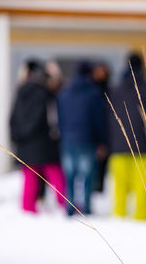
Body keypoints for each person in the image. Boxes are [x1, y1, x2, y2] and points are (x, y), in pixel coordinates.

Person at [10, 59, 66, 213]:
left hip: (25, 143)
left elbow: (12, 118)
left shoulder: (20, 92)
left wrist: (18, 136)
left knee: (29, 176)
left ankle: (28, 208)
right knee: (55, 174)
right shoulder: (46, 95)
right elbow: (51, 119)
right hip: (44, 142)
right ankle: (66, 205)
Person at [108, 53, 146, 220]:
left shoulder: (115, 89)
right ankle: (141, 218)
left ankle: (119, 218)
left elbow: (108, 116)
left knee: (119, 187)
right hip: (142, 147)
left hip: (118, 146)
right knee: (142, 188)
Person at [58, 62, 106, 216]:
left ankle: (70, 207)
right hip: (87, 140)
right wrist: (101, 141)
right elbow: (99, 120)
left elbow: (60, 118)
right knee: (87, 176)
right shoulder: (94, 93)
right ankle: (86, 207)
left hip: (68, 139)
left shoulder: (64, 93)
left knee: (70, 176)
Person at [91, 62, 111, 192]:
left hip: (106, 134)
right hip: (91, 135)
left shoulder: (110, 91)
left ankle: (99, 190)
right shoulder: (91, 92)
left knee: (102, 168)